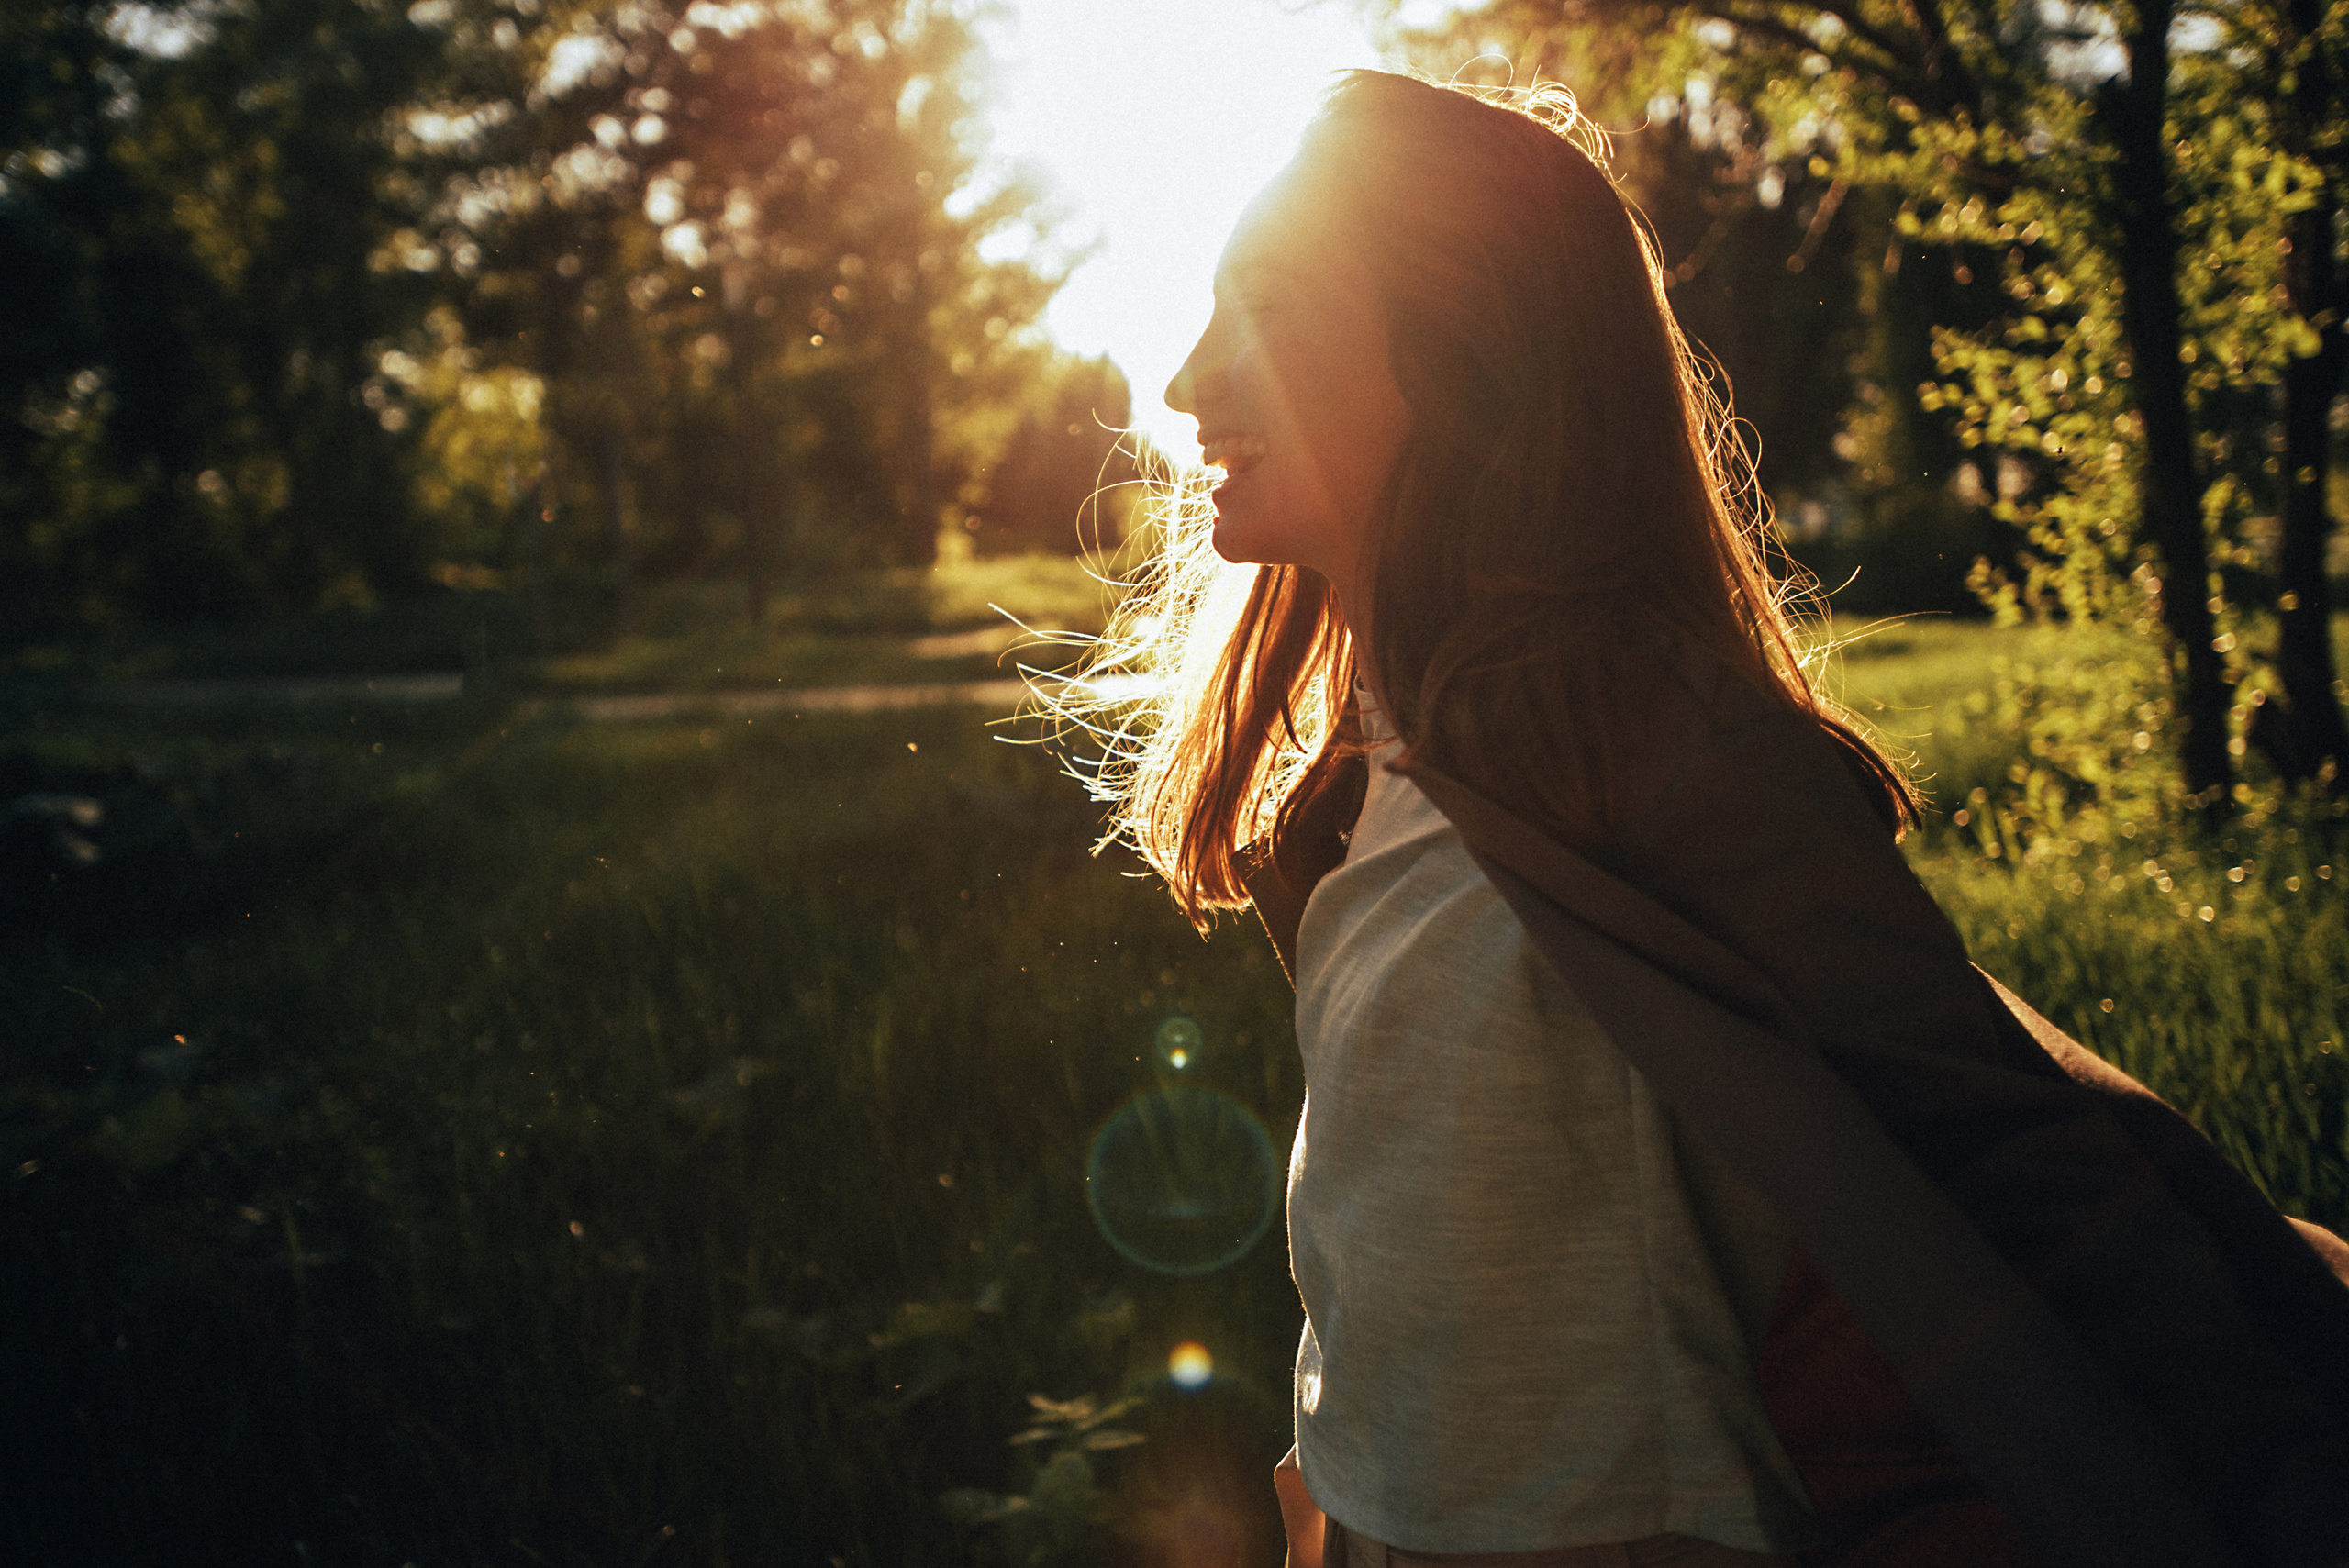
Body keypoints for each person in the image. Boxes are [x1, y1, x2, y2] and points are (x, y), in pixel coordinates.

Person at [1088, 68, 2349, 1568]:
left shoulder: (1635, 738)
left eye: (1270, 309)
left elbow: (2008, 1138)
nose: (1185, 381)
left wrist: (2277, 1486)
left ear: (1469, 342)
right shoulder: (1359, 800)